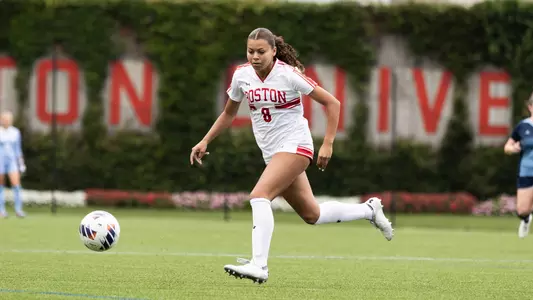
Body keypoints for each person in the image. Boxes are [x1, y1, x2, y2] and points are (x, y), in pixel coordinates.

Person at [190, 27, 394, 284]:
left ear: (274, 51)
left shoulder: (288, 75)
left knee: (259, 196)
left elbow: (333, 103)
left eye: (261, 51)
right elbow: (229, 114)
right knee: (312, 215)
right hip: (272, 152)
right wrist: (205, 140)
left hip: (296, 145)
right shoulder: (241, 76)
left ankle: (259, 265)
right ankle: (369, 210)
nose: (255, 56)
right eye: (250, 51)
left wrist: (328, 143)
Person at [504, 94, 533, 238]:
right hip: (527, 171)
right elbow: (507, 146)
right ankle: (526, 219)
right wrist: (512, 149)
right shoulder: (522, 126)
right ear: (530, 107)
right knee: (522, 210)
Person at [0, 110, 26, 218]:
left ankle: (18, 210)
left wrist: (21, 163)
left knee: (16, 185)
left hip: (11, 161)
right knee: (1, 186)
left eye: (8, 119)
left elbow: (18, 149)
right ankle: (1, 211)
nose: (6, 121)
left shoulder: (15, 132)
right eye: (4, 119)